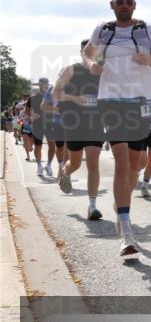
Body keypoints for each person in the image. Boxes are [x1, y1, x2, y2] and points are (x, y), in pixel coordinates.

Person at [82, 0, 151, 260]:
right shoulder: (103, 29)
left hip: (140, 100)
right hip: (111, 100)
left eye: (128, 2)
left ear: (134, 5)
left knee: (137, 163)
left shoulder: (146, 29)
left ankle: (122, 204)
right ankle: (126, 233)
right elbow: (87, 54)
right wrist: (91, 66)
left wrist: (150, 60)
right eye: (119, 2)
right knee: (121, 160)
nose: (124, 5)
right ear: (111, 5)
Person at [54, 40, 104, 219]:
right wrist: (75, 98)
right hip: (74, 123)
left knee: (93, 163)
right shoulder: (71, 70)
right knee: (75, 163)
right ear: (82, 51)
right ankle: (66, 173)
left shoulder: (102, 72)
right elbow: (55, 94)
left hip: (95, 123)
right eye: (87, 50)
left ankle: (92, 206)